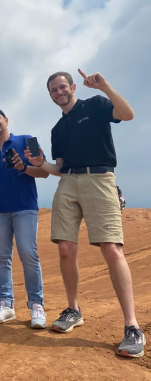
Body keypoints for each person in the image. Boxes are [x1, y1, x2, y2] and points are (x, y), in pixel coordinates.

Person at [25, 70, 144, 358]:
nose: (58, 93)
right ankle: (73, 309)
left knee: (111, 248)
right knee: (65, 248)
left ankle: (132, 325)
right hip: (68, 183)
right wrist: (42, 163)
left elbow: (128, 115)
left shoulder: (96, 105)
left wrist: (104, 86)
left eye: (62, 87)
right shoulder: (57, 129)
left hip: (100, 178)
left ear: (72, 86)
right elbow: (60, 168)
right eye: (53, 90)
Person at [0, 108, 48, 328]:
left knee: (28, 253)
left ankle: (36, 304)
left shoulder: (28, 140)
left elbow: (44, 172)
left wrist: (23, 167)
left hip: (25, 207)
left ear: (6, 120)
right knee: (2, 257)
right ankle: (6, 303)